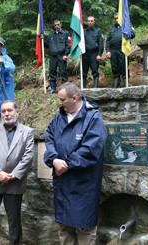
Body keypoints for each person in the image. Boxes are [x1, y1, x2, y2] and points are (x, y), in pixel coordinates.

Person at [43, 82, 107, 244]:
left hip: (84, 183)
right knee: (64, 227)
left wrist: (67, 165)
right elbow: (49, 138)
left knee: (86, 228)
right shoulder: (58, 118)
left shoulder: (93, 118)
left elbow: (91, 148)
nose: (60, 103)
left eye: (62, 99)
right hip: (62, 182)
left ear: (74, 97)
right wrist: (54, 160)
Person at [0, 100, 34, 245]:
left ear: (17, 112)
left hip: (15, 181)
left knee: (14, 219)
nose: (6, 114)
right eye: (3, 111)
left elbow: (28, 156)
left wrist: (14, 174)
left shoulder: (27, 132)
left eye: (9, 110)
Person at [40, 19, 71, 94]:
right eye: (55, 25)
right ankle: (53, 89)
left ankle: (64, 89)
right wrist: (42, 39)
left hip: (62, 56)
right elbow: (47, 45)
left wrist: (66, 54)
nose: (57, 26)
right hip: (53, 57)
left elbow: (68, 45)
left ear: (61, 25)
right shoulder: (51, 35)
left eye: (58, 24)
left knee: (63, 73)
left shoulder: (65, 34)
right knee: (52, 72)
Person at [106, 13, 136, 88]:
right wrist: (108, 51)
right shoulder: (112, 28)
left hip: (123, 49)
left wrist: (127, 32)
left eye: (117, 18)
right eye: (115, 18)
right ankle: (116, 83)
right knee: (115, 67)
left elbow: (133, 34)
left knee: (124, 67)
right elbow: (108, 41)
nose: (116, 20)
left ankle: (126, 83)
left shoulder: (127, 26)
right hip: (114, 50)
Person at [82, 16, 104, 88]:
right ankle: (83, 88)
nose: (90, 22)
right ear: (87, 22)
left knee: (95, 71)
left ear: (94, 22)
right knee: (84, 72)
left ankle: (95, 88)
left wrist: (99, 54)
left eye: (92, 21)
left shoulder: (98, 31)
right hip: (85, 54)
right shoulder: (84, 31)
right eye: (89, 21)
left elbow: (101, 43)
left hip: (94, 54)